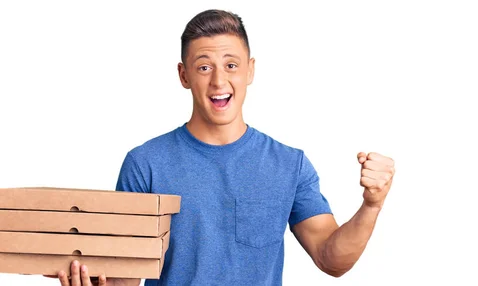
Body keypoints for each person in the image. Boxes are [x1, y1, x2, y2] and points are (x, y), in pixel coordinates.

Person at [52, 9, 395, 286]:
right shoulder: (146, 164)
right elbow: (124, 279)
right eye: (204, 67)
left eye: (231, 65)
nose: (219, 81)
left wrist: (371, 205)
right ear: (184, 75)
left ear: (250, 71)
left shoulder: (290, 164)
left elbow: (331, 260)